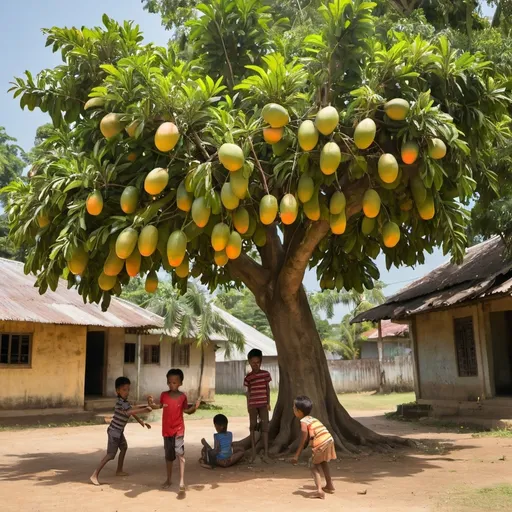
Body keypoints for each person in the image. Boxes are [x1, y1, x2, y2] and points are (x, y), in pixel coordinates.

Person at [90, 376, 152, 486]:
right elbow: (129, 412)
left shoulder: (125, 402)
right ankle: (94, 475)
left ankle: (119, 470)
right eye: (124, 389)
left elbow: (131, 410)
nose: (127, 392)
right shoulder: (120, 403)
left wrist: (142, 422)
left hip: (119, 431)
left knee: (124, 448)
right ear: (117, 391)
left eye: (128, 389)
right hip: (114, 431)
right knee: (110, 455)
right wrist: (144, 410)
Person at [147, 368, 201, 494]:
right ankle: (169, 479)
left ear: (180, 383)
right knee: (169, 457)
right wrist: (150, 403)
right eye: (169, 382)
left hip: (179, 429)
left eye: (174, 382)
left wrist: (195, 407)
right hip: (166, 431)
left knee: (180, 453)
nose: (172, 384)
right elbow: (157, 406)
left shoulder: (182, 397)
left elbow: (187, 411)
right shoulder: (164, 395)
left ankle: (182, 481)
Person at [291, 395, 336, 500]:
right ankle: (329, 485)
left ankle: (319, 491)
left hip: (321, 443)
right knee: (323, 462)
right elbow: (312, 435)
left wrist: (296, 456)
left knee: (313, 466)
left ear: (299, 411)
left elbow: (303, 441)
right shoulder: (312, 419)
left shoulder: (303, 422)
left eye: (294, 408)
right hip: (329, 439)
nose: (293, 410)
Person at [244, 348, 272, 462]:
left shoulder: (266, 374)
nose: (255, 365)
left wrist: (268, 403)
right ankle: (254, 453)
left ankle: (266, 453)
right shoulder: (248, 377)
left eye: (258, 362)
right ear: (249, 362)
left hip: (263, 404)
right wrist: (248, 406)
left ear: (261, 362)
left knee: (265, 428)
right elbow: (248, 392)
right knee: (252, 427)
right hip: (253, 405)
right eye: (253, 362)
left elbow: (267, 389)